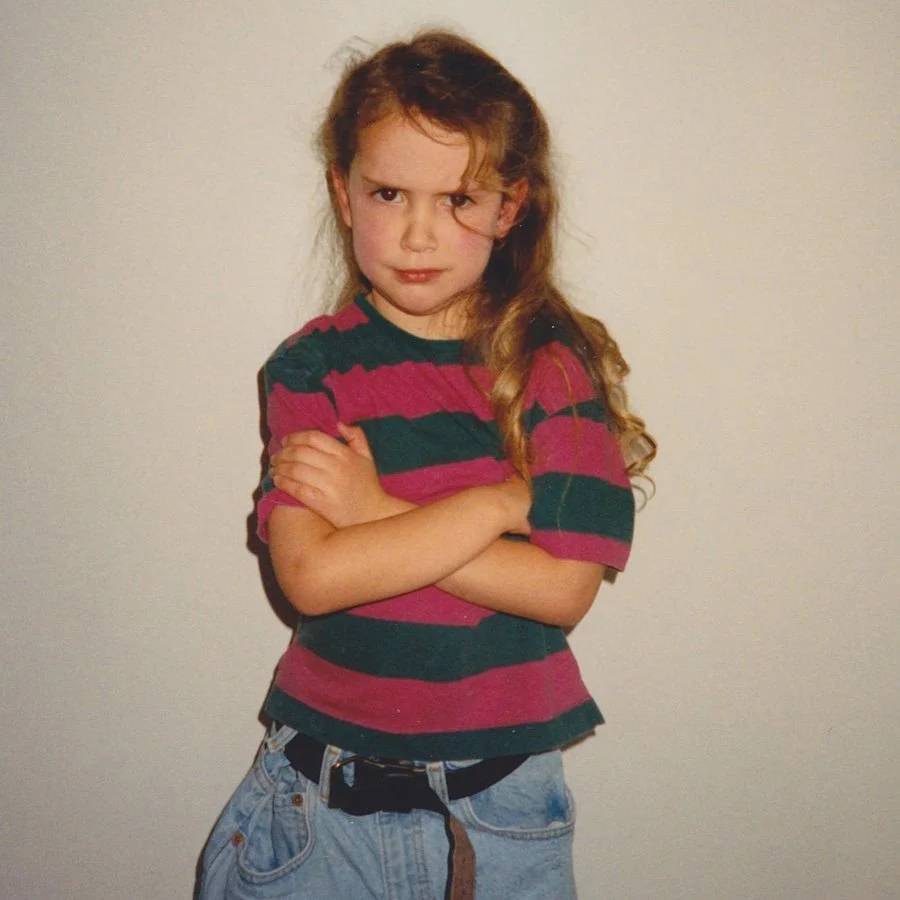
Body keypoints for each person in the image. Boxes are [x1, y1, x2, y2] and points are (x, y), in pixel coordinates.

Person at [198, 29, 655, 900]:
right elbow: (313, 576)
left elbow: (564, 591)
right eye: (387, 192)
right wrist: (491, 506)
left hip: (500, 808)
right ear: (343, 194)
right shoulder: (311, 368)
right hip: (319, 805)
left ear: (510, 207)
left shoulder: (549, 366)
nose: (416, 232)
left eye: (458, 199)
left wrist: (376, 510)